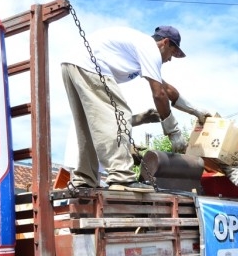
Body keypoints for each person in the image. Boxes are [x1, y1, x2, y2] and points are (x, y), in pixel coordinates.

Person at [61, 25, 208, 192]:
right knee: (119, 115)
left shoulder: (140, 49)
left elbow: (167, 89)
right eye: (172, 53)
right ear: (165, 43)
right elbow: (159, 94)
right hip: (90, 65)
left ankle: (85, 178)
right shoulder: (150, 49)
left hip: (71, 64)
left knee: (88, 124)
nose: (170, 59)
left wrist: (195, 110)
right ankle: (122, 177)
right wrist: (174, 132)